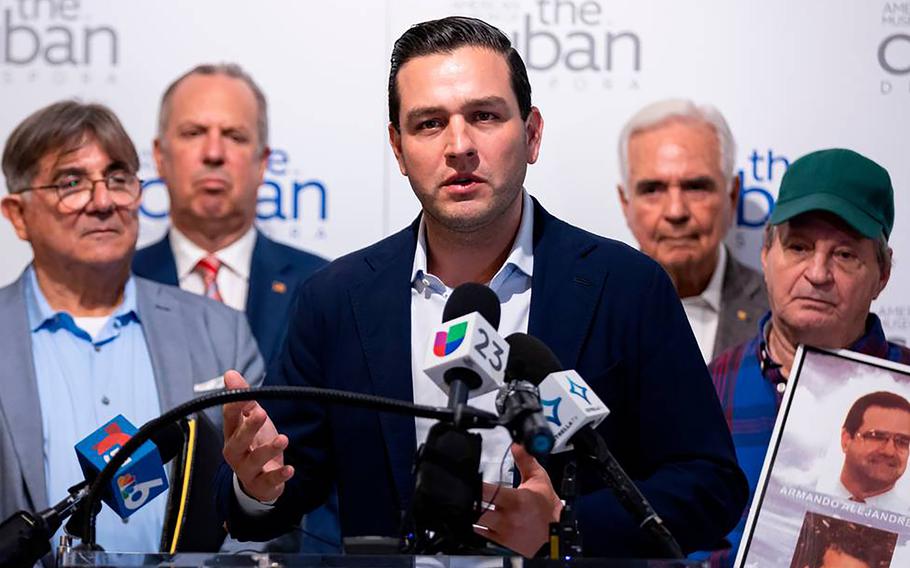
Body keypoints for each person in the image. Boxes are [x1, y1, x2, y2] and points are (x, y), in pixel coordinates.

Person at [216, 16, 746, 559]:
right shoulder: (336, 299)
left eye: (485, 116)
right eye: (428, 124)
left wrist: (564, 528)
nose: (459, 146)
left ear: (532, 133)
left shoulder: (626, 287)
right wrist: (256, 485)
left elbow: (710, 487)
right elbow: (271, 499)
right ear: (398, 150)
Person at [0, 101, 264, 562]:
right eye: (71, 182)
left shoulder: (219, 331)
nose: (103, 202)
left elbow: (259, 505)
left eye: (119, 178)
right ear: (18, 215)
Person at [710, 148, 910, 562]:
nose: (817, 274)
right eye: (799, 247)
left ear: (883, 274)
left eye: (844, 255)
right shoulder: (710, 384)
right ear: (766, 254)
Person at [133, 63, 328, 367]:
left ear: (262, 162)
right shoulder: (121, 284)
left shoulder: (322, 286)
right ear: (159, 157)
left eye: (234, 136)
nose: (213, 153)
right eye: (194, 132)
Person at [617, 99, 767, 361]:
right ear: (625, 203)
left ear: (731, 196)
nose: (676, 211)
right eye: (652, 189)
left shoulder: (778, 311)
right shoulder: (589, 308)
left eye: (696, 187)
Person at [837, 391, 910, 509]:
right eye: (877, 436)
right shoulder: (805, 492)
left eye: (902, 441)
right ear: (846, 440)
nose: (889, 451)